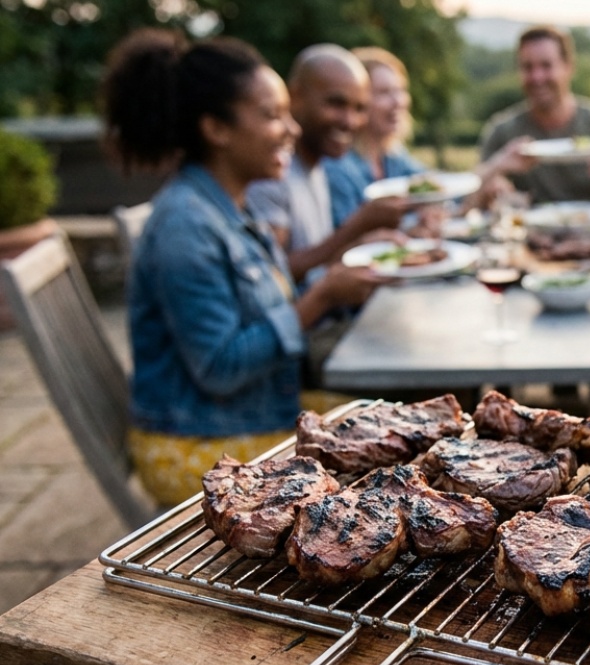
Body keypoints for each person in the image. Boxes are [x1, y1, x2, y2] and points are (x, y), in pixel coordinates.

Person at [101, 29, 391, 506]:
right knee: (391, 469)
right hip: (199, 447)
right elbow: (219, 367)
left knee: (404, 429)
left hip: (250, 416)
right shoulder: (186, 225)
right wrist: (319, 300)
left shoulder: (231, 207)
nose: (292, 129)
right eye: (272, 115)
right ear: (216, 129)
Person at [247, 44, 409, 284]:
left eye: (359, 108)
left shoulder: (318, 164)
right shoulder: (273, 171)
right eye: (336, 104)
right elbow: (273, 276)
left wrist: (364, 245)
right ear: (296, 97)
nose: (350, 121)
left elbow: (318, 264)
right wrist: (355, 229)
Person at [475, 25, 590, 206]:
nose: (537, 77)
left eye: (546, 66)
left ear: (568, 67)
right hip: (529, 237)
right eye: (527, 67)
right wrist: (497, 169)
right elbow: (465, 201)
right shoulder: (502, 131)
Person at [326, 46, 428, 228]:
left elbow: (436, 188)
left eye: (400, 90)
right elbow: (346, 238)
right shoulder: (337, 165)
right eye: (384, 93)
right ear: (358, 101)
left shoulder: (394, 156)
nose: (398, 102)